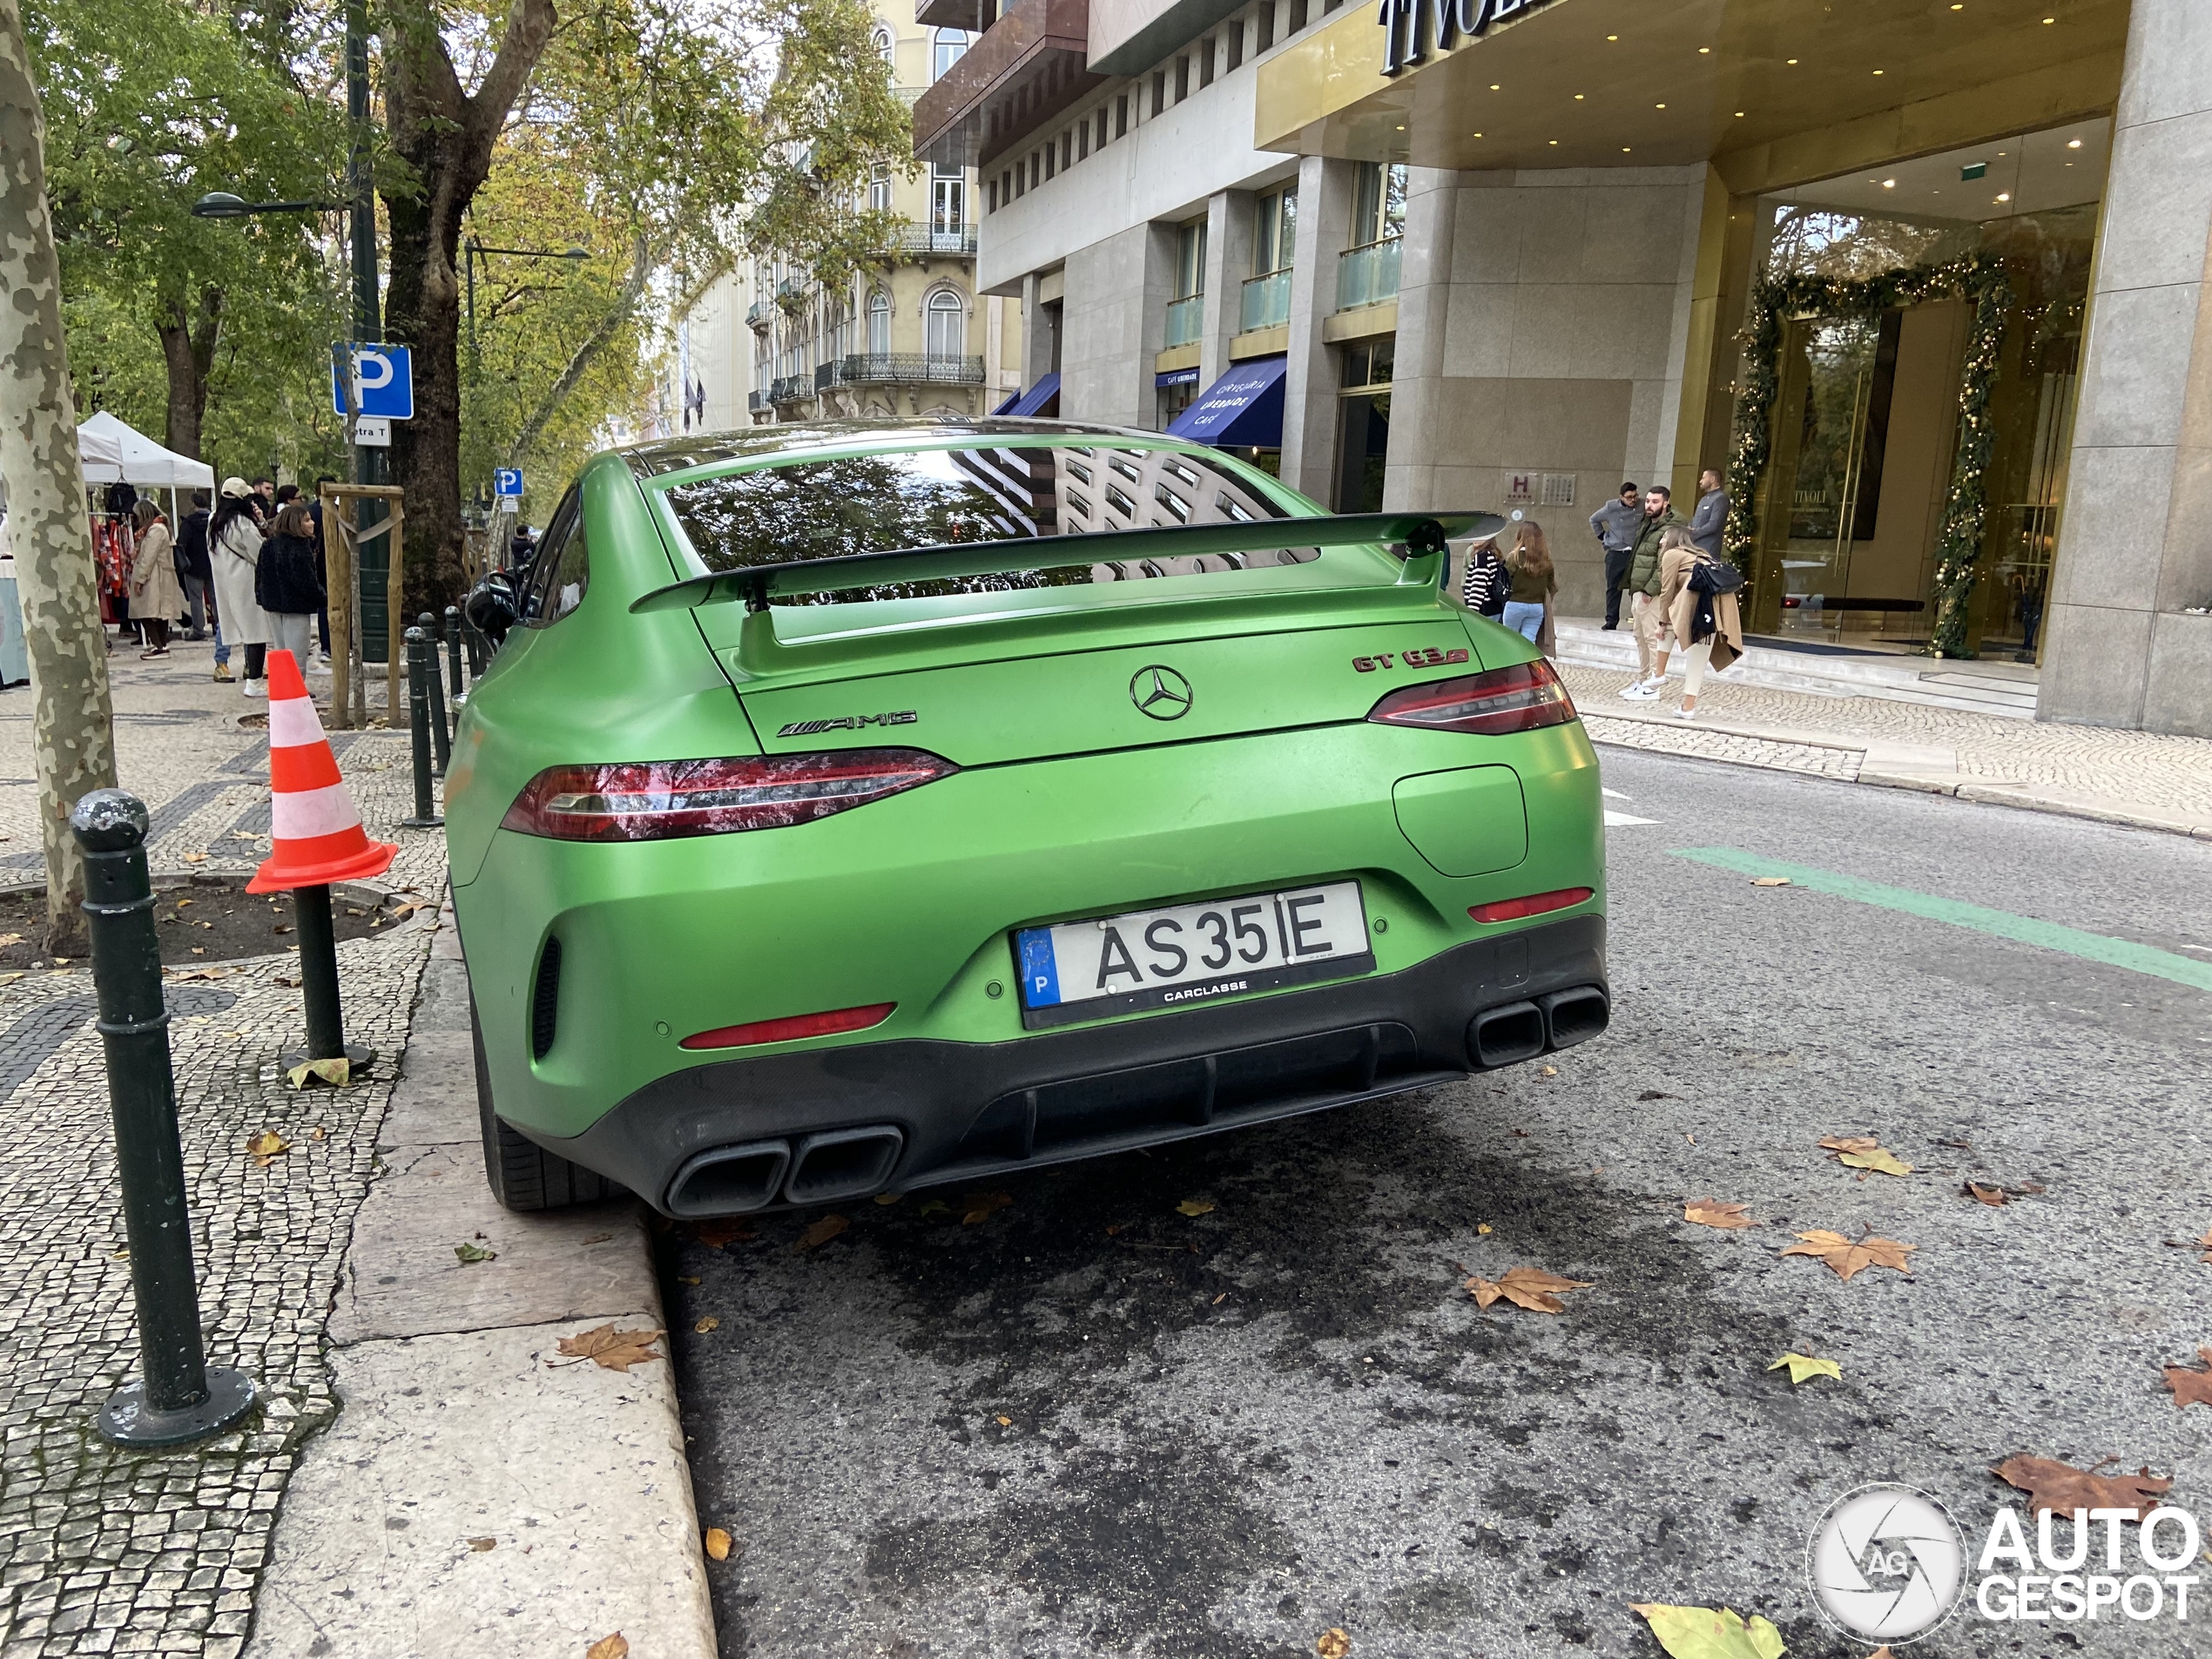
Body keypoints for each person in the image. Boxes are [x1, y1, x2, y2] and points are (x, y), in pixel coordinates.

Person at [1649, 529, 1745, 720]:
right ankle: (1688, 707)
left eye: (1664, 537)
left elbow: (1667, 591)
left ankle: (1659, 673)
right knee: (1700, 651)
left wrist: (1662, 622)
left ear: (1674, 540)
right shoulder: (1703, 554)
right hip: (1719, 602)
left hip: (1697, 598)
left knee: (1667, 623)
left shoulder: (1671, 554)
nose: (1661, 542)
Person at [1618, 487, 1687, 700]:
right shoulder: (1648, 523)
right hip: (1639, 589)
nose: (1649, 505)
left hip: (1651, 593)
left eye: (1655, 501)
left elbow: (1666, 564)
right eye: (1648, 501)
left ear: (1666, 503)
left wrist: (1650, 589)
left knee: (1652, 638)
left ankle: (1654, 685)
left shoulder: (1672, 529)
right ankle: (1642, 679)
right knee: (1640, 637)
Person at [211, 477, 273, 697]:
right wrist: (261, 524)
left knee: (238, 627)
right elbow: (261, 552)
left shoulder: (214, 521)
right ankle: (254, 681)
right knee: (256, 632)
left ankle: (245, 672)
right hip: (247, 580)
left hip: (225, 581)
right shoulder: (242, 524)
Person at [257, 502, 326, 670]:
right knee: (297, 654)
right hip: (296, 606)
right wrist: (323, 598)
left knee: (281, 652)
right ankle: (296, 691)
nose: (312, 523)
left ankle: (284, 691)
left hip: (274, 605)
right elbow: (305, 581)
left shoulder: (269, 544)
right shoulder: (299, 548)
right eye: (307, 520)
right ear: (296, 524)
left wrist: (262, 597)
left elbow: (260, 575)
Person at [127, 499, 185, 658]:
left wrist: (140, 578)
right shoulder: (159, 528)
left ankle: (159, 645)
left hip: (155, 576)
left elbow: (149, 556)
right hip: (158, 574)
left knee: (145, 611)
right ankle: (161, 645)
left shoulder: (156, 530)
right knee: (158, 613)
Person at [1589, 482, 1641, 631]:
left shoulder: (1642, 505)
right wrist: (1602, 536)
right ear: (1621, 497)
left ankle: (1638, 621)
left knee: (1636, 588)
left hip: (1635, 552)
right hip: (1616, 552)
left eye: (1635, 496)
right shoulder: (1611, 507)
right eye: (1629, 497)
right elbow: (1594, 519)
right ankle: (1611, 620)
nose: (1633, 500)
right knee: (1613, 588)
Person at [1500, 521, 1556, 647]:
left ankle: (1512, 666)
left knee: (1510, 640)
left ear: (1520, 536)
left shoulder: (1514, 557)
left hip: (1515, 603)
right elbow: (1551, 585)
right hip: (1537, 606)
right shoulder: (1546, 560)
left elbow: (1504, 579)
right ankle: (1527, 666)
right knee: (1529, 643)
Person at [176, 489, 212, 641]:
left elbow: (181, 543)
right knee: (216, 599)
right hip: (212, 564)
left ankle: (199, 630)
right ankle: (220, 628)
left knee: (196, 599)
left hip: (193, 567)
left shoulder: (188, 523)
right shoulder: (214, 520)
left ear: (193, 504)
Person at [1460, 533, 1508, 619]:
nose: (1476, 538)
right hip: (1495, 607)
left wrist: (1471, 612)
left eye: (1482, 536)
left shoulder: (1482, 556)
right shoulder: (1492, 554)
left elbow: (1478, 587)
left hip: (1484, 611)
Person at [1688, 467, 1729, 557]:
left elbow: (1714, 525)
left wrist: (1694, 533)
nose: (1700, 481)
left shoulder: (1720, 498)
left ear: (1713, 479)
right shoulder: (1704, 499)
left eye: (1703, 478)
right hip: (1695, 547)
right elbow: (1695, 520)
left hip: (1708, 549)